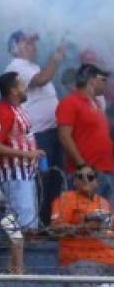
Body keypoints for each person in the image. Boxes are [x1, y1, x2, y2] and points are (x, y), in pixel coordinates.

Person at [5, 29, 66, 224]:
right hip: (38, 136)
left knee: (55, 181)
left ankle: (49, 223)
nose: (33, 47)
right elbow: (41, 80)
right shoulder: (16, 67)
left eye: (33, 44)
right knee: (41, 181)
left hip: (52, 132)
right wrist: (56, 59)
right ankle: (36, 224)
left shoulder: (33, 66)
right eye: (27, 43)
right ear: (15, 48)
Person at [0, 72, 45, 274]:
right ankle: (17, 268)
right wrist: (25, 154)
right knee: (19, 223)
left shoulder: (17, 108)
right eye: (21, 84)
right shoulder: (3, 111)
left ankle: (16, 265)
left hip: (25, 173)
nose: (25, 87)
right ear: (13, 90)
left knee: (23, 222)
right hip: (14, 174)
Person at [51, 163, 114, 287]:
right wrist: (83, 227)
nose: (85, 179)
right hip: (83, 262)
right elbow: (55, 230)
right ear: (74, 181)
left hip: (110, 262)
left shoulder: (104, 203)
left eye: (90, 177)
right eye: (80, 176)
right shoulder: (66, 199)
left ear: (97, 182)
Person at [57, 63, 114, 199]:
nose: (106, 83)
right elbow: (64, 136)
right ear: (92, 80)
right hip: (87, 173)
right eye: (103, 79)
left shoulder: (97, 104)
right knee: (87, 216)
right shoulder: (70, 102)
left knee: (108, 216)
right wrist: (82, 165)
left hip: (107, 169)